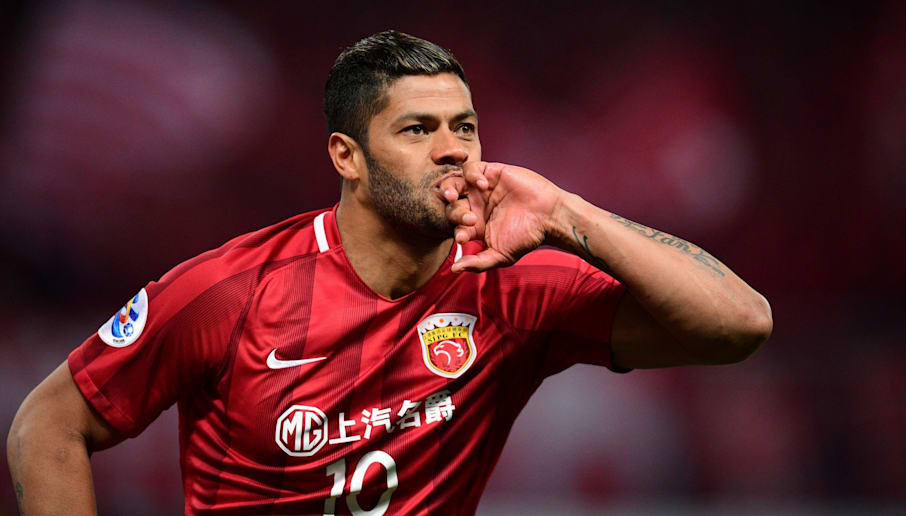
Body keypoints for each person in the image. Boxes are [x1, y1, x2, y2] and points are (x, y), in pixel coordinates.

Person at [7, 30, 772, 515]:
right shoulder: (228, 291)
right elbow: (48, 426)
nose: (452, 150)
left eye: (464, 127)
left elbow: (740, 324)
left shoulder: (510, 293)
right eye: (417, 129)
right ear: (348, 157)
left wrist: (570, 213)